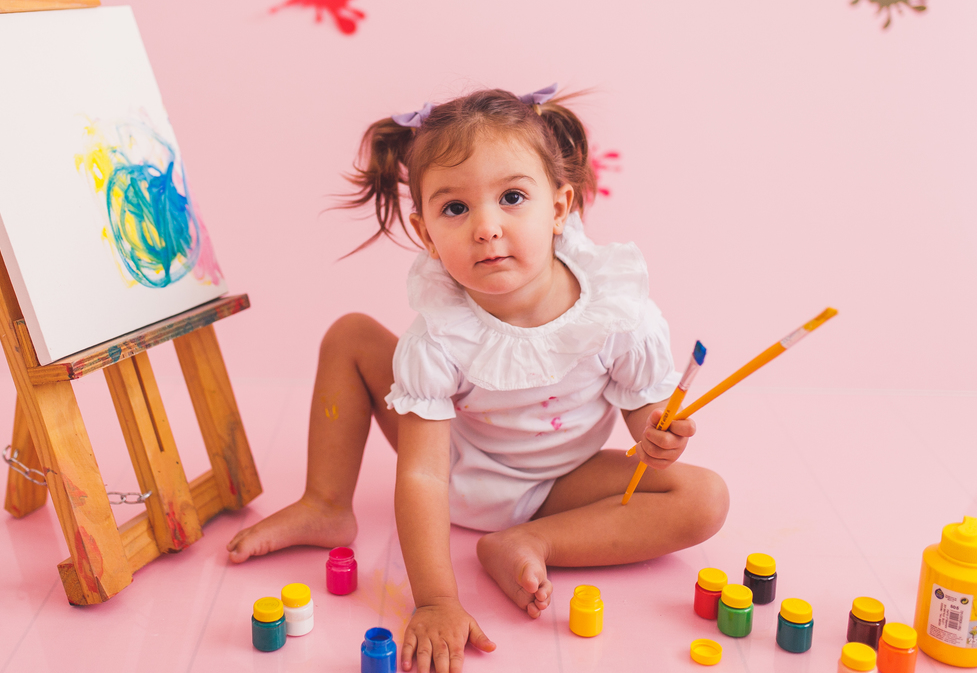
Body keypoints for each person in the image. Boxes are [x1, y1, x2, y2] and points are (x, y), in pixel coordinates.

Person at [227, 86, 729, 673]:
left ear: (560, 207)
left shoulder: (617, 309)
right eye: (455, 209)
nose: (486, 227)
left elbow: (646, 419)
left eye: (513, 197)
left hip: (563, 485)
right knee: (351, 335)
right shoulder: (438, 336)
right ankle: (325, 502)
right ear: (425, 233)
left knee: (705, 497)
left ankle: (529, 542)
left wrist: (657, 438)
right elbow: (420, 471)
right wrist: (436, 600)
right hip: (456, 470)